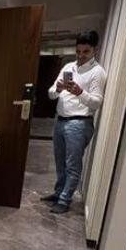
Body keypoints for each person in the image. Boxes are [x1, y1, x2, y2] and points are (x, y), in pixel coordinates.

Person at [41, 31, 107, 214]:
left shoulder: (97, 72)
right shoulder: (68, 67)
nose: (80, 55)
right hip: (61, 121)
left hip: (79, 124)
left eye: (85, 52)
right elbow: (51, 94)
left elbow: (97, 102)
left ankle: (64, 200)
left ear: (94, 50)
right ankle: (58, 193)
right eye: (78, 51)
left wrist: (80, 92)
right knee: (60, 162)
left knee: (72, 165)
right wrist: (58, 89)